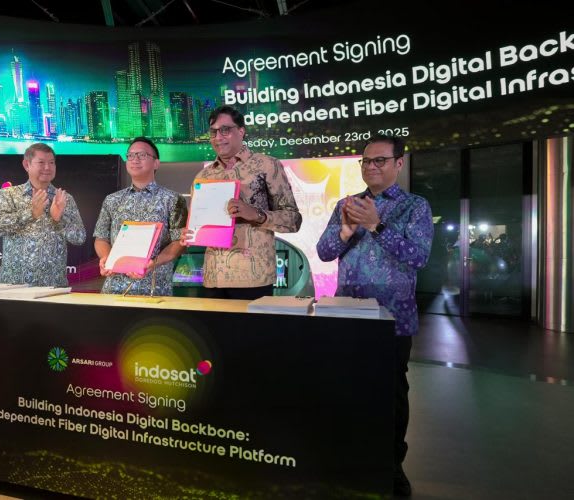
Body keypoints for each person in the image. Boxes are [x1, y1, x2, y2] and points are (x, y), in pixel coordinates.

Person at [316, 134, 433, 497]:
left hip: (392, 320)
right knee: (348, 391)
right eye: (366, 161)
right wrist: (346, 230)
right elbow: (323, 252)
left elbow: (418, 257)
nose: (371, 167)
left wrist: (376, 226)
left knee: (391, 395)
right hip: (348, 317)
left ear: (399, 163)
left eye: (379, 160)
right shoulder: (347, 205)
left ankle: (392, 466)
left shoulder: (415, 206)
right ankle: (349, 461)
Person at [182, 105, 301, 300]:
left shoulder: (266, 165)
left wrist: (256, 214)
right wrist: (190, 234)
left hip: (254, 278)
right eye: (213, 132)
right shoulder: (203, 176)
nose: (218, 137)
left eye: (225, 130)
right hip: (213, 278)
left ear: (241, 131)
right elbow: (198, 225)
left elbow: (293, 220)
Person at [94, 137, 187, 296]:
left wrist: (154, 263)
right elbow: (101, 238)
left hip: (155, 289)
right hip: (114, 289)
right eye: (130, 155)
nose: (135, 159)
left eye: (142, 155)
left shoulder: (173, 199)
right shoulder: (112, 200)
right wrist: (107, 258)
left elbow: (180, 241)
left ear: (156, 163)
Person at [0, 143, 86, 287]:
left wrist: (59, 219)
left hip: (54, 287)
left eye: (51, 163)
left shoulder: (64, 198)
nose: (47, 167)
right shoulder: (9, 195)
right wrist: (31, 213)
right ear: (27, 165)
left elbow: (79, 238)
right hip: (13, 286)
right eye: (41, 162)